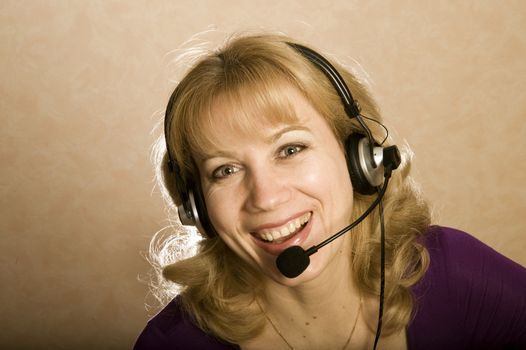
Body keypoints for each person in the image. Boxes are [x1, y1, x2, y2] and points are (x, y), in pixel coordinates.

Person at [135, 33, 526, 349]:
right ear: (196, 207)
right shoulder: (172, 342)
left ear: (360, 158)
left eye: (290, 149)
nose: (266, 198)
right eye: (225, 170)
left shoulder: (452, 272)